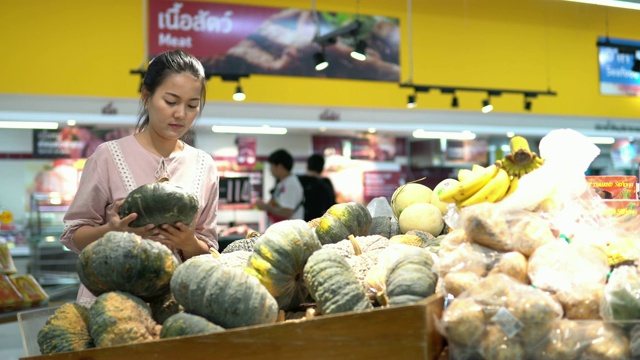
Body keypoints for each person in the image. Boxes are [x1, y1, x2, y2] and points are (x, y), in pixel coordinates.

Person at [60, 49, 219, 306]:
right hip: (112, 304)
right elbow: (73, 235)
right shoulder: (108, 156)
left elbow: (210, 248)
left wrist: (189, 243)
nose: (181, 113)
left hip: (177, 306)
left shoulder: (205, 165)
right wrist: (109, 231)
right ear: (147, 96)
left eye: (192, 105)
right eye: (171, 101)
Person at [255, 149, 304, 225]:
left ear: (280, 167)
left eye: (271, 166)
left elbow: (287, 212)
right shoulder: (283, 183)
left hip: (288, 233)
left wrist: (267, 207)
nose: (270, 169)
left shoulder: (291, 184)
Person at [297, 153, 336, 221]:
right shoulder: (325, 183)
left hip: (300, 222)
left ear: (307, 166)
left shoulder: (298, 181)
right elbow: (331, 205)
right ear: (322, 168)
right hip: (320, 223)